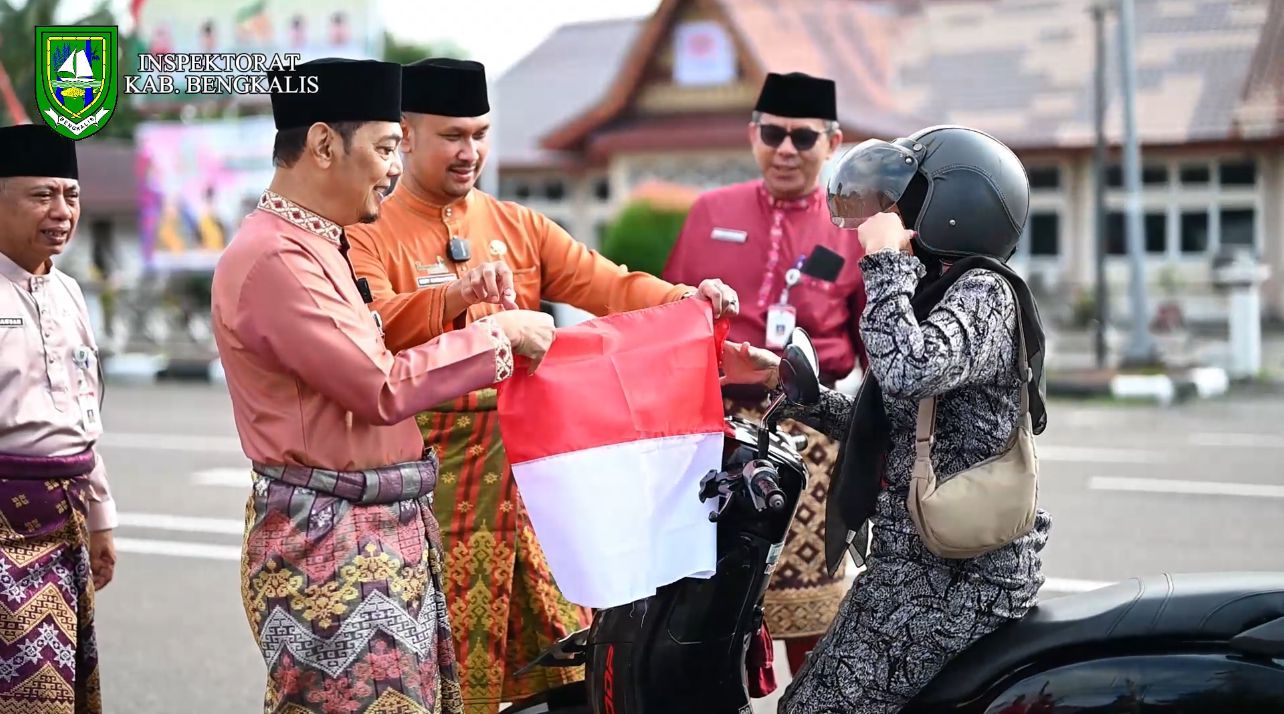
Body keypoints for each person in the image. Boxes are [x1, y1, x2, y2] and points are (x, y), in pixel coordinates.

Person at [344, 57, 739, 712]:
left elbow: (606, 284)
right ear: (405, 135)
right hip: (429, 496)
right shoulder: (365, 234)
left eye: (480, 134)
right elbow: (371, 328)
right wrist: (455, 299)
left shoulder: (517, 227)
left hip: (536, 492)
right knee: (439, 677)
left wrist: (684, 299)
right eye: (452, 136)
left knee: (576, 667)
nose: (469, 151)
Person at [210, 58, 557, 714]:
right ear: (321, 144)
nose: (394, 167)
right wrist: (499, 335)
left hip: (372, 530)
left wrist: (458, 299)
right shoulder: (277, 258)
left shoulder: (319, 245)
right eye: (385, 147)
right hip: (332, 541)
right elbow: (379, 386)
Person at [721, 125, 1052, 713]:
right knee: (808, 701)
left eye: (906, 200)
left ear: (950, 209)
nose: (891, 213)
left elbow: (907, 369)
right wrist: (788, 383)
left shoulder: (986, 295)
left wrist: (882, 263)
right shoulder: (937, 289)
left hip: (959, 579)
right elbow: (894, 426)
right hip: (914, 567)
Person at [662, 70, 867, 670]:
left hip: (810, 433)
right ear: (753, 135)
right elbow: (671, 315)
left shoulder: (853, 227)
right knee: (703, 601)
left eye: (802, 138)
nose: (785, 150)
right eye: (772, 134)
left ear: (832, 143)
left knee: (813, 605)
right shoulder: (708, 211)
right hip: (714, 431)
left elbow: (873, 344)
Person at [0, 123, 118, 712]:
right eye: (42, 195)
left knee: (59, 688)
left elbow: (84, 416)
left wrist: (101, 518)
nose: (62, 211)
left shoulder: (71, 293)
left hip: (65, 524)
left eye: (71, 196)